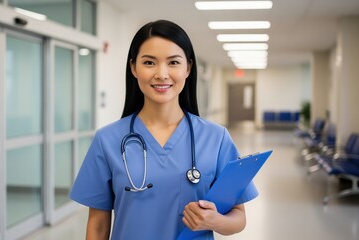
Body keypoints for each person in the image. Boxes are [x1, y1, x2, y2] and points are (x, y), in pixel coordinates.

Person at [70, 19, 258, 240]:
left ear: (188, 68)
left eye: (173, 62)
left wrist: (215, 221)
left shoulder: (216, 138)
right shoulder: (107, 140)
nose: (161, 73)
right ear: (134, 68)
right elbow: (98, 226)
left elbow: (238, 218)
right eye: (149, 63)